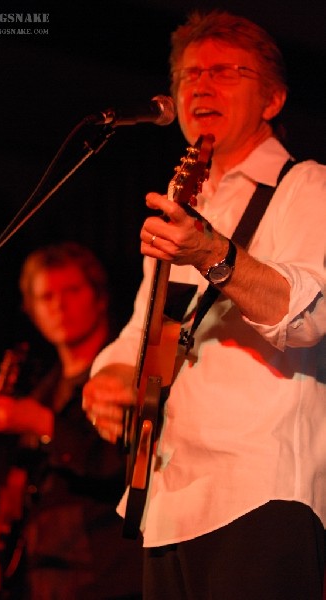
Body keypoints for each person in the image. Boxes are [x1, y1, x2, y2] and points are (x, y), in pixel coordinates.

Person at [82, 10, 326, 600]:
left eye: (225, 72)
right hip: (166, 500)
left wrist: (213, 252)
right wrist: (106, 377)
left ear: (273, 101)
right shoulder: (183, 198)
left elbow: (311, 313)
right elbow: (145, 326)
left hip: (259, 490)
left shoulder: (308, 186)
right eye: (188, 76)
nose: (200, 87)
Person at [0, 242, 143, 600]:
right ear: (32, 311)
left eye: (72, 290)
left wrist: (44, 423)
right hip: (44, 581)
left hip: (110, 577)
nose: (60, 305)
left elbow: (125, 465)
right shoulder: (43, 391)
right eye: (47, 297)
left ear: (100, 296)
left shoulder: (128, 374)